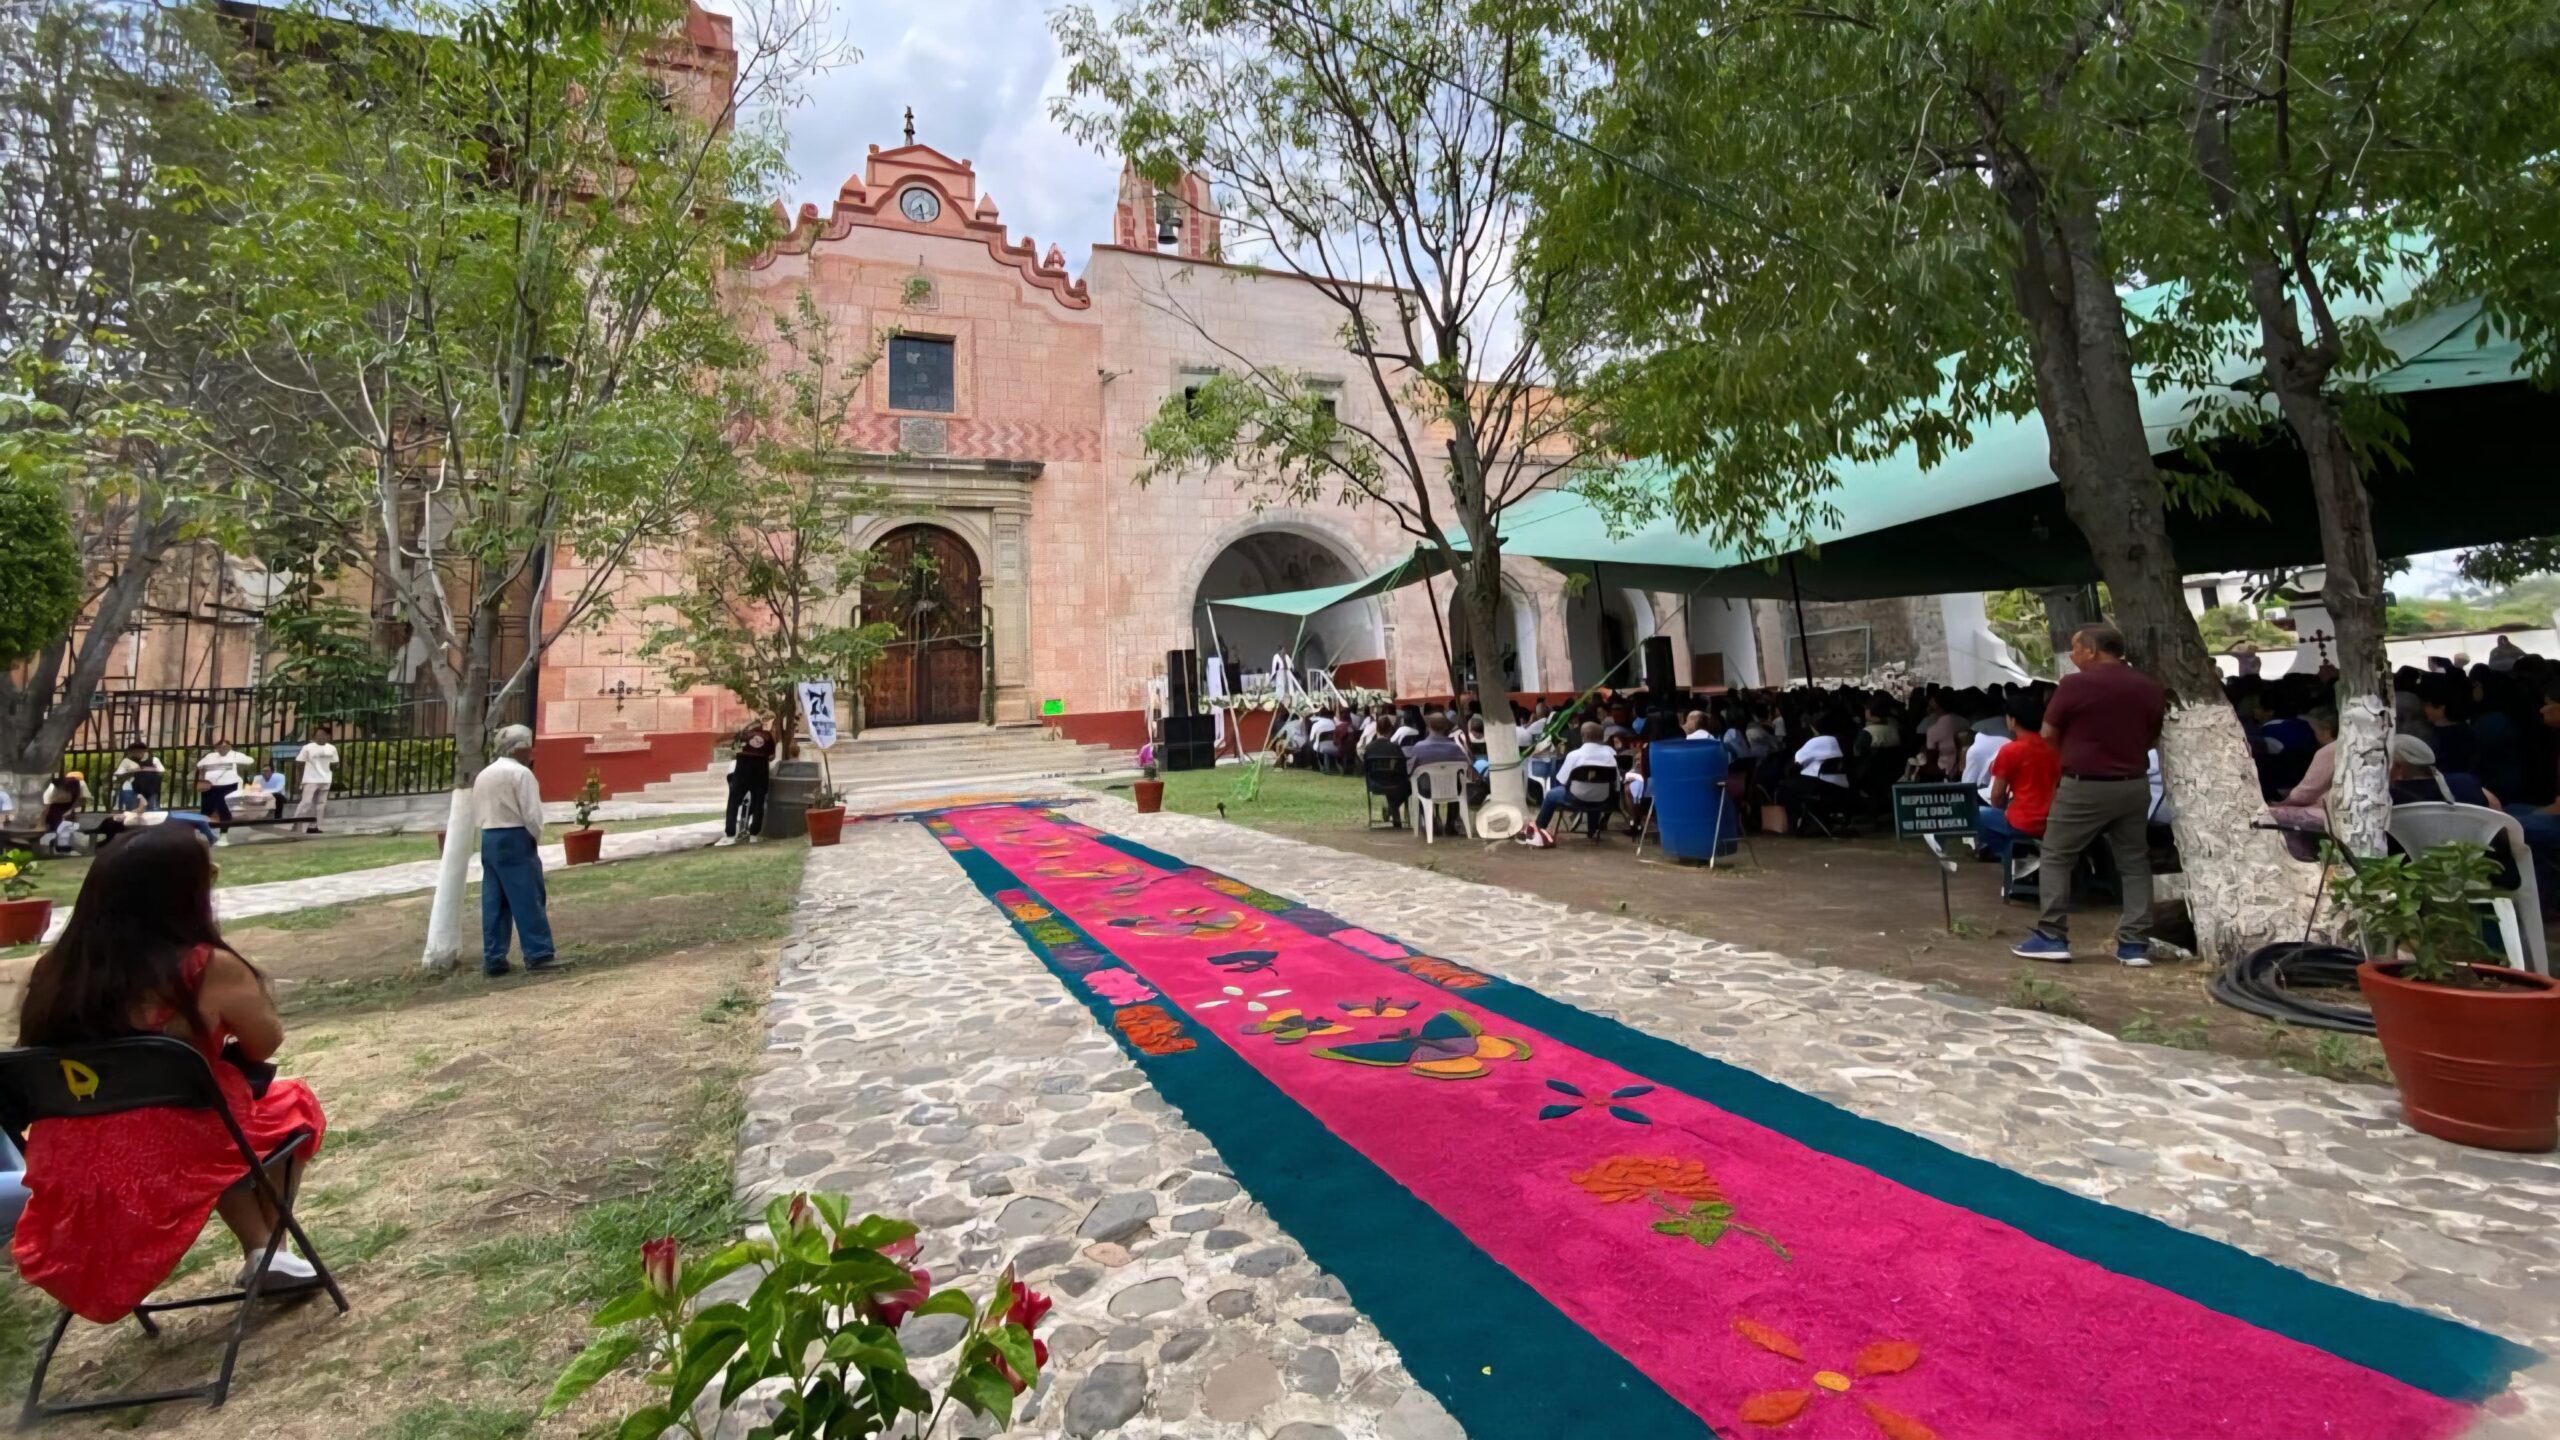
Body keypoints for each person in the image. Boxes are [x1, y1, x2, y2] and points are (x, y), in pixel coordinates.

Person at [10, 824, 332, 1322]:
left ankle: (264, 1253)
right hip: (172, 1151)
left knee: (211, 1115)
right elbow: (264, 1042)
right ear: (183, 895)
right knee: (284, 1105)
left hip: (69, 1166)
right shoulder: (206, 968)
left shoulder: (50, 971)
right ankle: (268, 1251)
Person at [2016, 624, 2166, 966]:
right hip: (2132, 783)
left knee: (2056, 855)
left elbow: (2048, 732)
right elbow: (2152, 735)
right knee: (2133, 862)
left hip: (2084, 783)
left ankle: (2052, 935)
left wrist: (2071, 753)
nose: (2072, 655)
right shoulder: (2148, 685)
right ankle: (2134, 945)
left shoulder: (2075, 684)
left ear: (2092, 650)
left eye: (2075, 648)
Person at [472, 725, 556, 977]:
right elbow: (531, 813)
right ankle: (538, 953)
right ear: (521, 748)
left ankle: (494, 958)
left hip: (489, 836)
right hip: (515, 835)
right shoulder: (521, 774)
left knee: (494, 900)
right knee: (527, 896)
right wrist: (534, 837)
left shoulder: (484, 774)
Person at [1973, 691, 2059, 862]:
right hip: (2055, 820)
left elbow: (1997, 796)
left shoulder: (2011, 750)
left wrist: (2004, 807)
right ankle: (2017, 851)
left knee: (1975, 815)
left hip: (2023, 820)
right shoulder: (2053, 748)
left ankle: (2005, 852)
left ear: (2012, 720)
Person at [1516, 722, 1620, 847]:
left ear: (1583, 737)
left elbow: (1562, 780)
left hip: (1575, 799)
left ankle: (1539, 828)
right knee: (1594, 789)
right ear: (1602, 737)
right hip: (1603, 799)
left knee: (1551, 795)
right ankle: (1592, 830)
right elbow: (1616, 782)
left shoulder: (1574, 755)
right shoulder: (1611, 755)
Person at [2262, 707, 2341, 834]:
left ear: (2327, 729)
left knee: (2266, 814)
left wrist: (2279, 804)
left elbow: (2304, 793)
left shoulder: (2330, 751)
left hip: (2333, 812)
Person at [718, 721, 776, 847]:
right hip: (760, 772)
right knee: (758, 803)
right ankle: (754, 835)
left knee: (733, 802)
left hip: (742, 771)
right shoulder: (767, 736)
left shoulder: (742, 734)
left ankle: (730, 834)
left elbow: (734, 751)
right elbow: (772, 755)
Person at [193, 738, 253, 844]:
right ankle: (207, 835)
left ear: (229, 747)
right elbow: (199, 765)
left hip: (229, 785)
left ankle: (223, 836)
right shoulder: (211, 756)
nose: (222, 748)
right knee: (206, 811)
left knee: (223, 810)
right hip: (210, 787)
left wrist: (234, 761)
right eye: (220, 746)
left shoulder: (235, 755)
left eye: (225, 746)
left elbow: (250, 761)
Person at [293, 725, 339, 834]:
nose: (319, 737)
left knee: (320, 804)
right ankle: (296, 823)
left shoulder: (332, 748)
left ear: (328, 736)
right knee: (306, 802)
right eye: (317, 735)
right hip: (310, 779)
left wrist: (334, 767)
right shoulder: (308, 747)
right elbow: (300, 763)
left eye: (322, 735)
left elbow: (335, 763)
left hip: (326, 779)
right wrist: (299, 780)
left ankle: (314, 826)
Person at [1920, 691, 1963, 779]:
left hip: (1943, 771)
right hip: (1962, 769)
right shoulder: (1964, 722)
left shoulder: (1933, 730)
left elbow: (1931, 759)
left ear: (1938, 708)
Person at [110, 744, 165, 811]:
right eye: (134, 752)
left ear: (145, 751)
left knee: (152, 811)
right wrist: (132, 771)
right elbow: (118, 774)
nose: (136, 753)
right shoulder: (127, 761)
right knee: (134, 811)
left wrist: (143, 769)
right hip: (131, 789)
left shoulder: (154, 760)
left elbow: (161, 770)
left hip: (151, 790)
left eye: (139, 751)